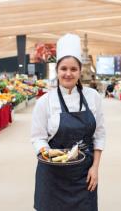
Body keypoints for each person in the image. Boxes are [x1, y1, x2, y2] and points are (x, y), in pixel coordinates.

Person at [31, 33, 105, 211]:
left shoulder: (93, 97)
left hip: (84, 175)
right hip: (52, 175)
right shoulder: (45, 101)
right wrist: (48, 155)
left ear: (80, 71)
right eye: (63, 68)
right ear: (57, 71)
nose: (68, 74)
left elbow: (100, 135)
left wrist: (95, 168)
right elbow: (37, 138)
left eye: (73, 69)